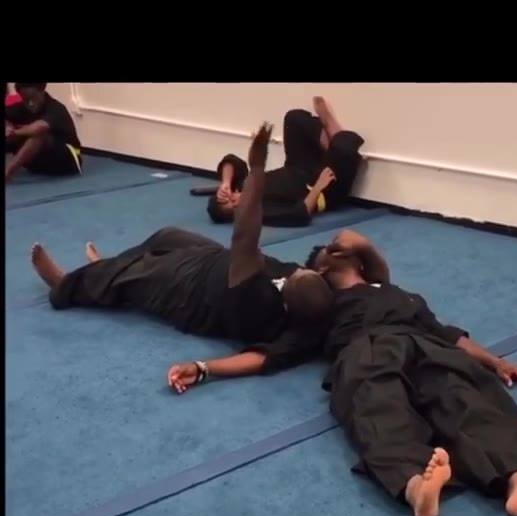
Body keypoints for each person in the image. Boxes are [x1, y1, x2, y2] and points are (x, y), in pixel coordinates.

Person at [169, 229, 517, 516]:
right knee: (378, 405)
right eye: (331, 250)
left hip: (422, 342)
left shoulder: (398, 294)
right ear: (321, 267)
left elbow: (449, 335)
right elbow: (268, 356)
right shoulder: (323, 305)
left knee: (465, 393)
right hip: (363, 349)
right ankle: (416, 486)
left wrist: (497, 362)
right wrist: (205, 368)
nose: (339, 249)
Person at [29, 124, 334, 355]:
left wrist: (256, 167)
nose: (298, 271)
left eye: (298, 277)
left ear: (286, 301)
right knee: (167, 236)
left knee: (137, 275)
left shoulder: (260, 303)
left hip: (191, 293)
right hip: (215, 261)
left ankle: (65, 285)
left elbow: (246, 234)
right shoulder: (307, 295)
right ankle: (107, 268)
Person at [206, 97, 364, 227]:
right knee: (344, 148)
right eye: (234, 207)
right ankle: (332, 129)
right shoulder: (261, 212)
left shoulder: (244, 185)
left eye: (230, 198)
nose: (235, 201)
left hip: (297, 167)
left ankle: (331, 143)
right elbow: (300, 214)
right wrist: (318, 187)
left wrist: (225, 183)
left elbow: (231, 161)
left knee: (293, 118)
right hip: (323, 188)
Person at [5, 82, 82, 182]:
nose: (30, 103)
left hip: (67, 161)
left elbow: (39, 127)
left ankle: (8, 172)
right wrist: (8, 125)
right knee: (14, 132)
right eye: (26, 99)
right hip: (38, 164)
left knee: (38, 134)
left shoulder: (56, 108)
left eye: (34, 98)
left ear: (42, 91)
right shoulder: (19, 108)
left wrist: (14, 132)